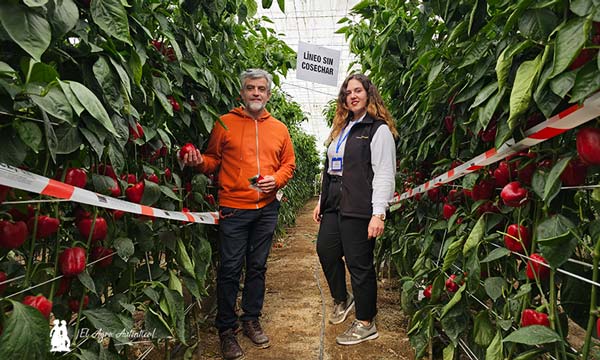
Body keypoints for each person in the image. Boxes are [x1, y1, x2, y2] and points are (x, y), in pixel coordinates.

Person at [182, 69, 296, 360]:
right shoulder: (226, 124)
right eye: (250, 88)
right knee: (231, 268)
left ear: (269, 94)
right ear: (242, 94)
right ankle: (226, 330)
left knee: (257, 266)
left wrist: (278, 179)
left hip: (267, 208)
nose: (256, 93)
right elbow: (212, 161)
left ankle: (251, 319)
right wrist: (197, 162)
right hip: (234, 207)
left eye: (261, 88)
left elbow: (288, 164)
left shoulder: (280, 129)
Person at [312, 73, 397, 346]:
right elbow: (330, 168)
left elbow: (384, 173)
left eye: (358, 90)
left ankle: (365, 321)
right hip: (335, 202)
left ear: (368, 94)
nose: (353, 96)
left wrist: (378, 212)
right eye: (348, 92)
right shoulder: (342, 128)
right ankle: (342, 298)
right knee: (325, 249)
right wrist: (321, 200)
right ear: (344, 98)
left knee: (359, 265)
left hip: (360, 204)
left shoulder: (377, 129)